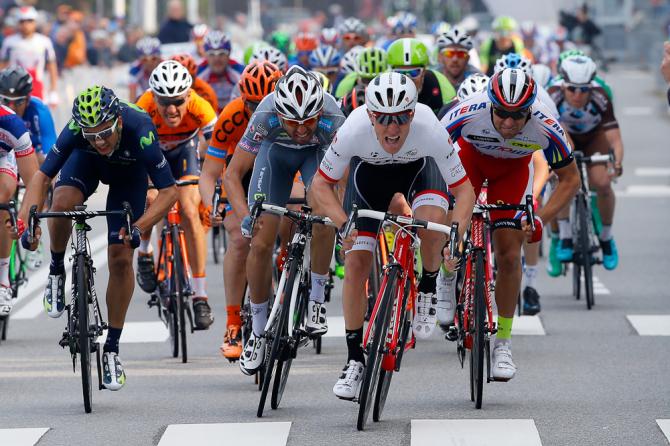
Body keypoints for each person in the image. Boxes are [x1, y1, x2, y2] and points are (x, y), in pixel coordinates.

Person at [309, 72, 476, 399]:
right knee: (356, 264)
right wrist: (344, 224)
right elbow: (320, 185)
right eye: (383, 119)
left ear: (413, 113)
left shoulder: (429, 128)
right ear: (370, 115)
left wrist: (456, 233)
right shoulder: (354, 129)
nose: (393, 127)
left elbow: (464, 190)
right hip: (369, 178)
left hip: (419, 171)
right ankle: (354, 359)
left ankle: (427, 285)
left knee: (432, 226)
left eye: (401, 117)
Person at [16, 86, 177, 390]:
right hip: (85, 165)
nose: (100, 141)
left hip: (128, 177)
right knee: (61, 203)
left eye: (105, 133)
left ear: (117, 120)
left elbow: (170, 192)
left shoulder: (140, 128)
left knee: (119, 259)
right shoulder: (79, 129)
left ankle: (112, 350)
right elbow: (41, 177)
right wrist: (30, 221)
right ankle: (55, 270)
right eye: (92, 135)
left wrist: (138, 227)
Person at [441, 68, 580, 381]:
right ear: (490, 104)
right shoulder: (467, 113)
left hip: (514, 172)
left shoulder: (545, 124)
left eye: (517, 116)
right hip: (469, 163)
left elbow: (571, 180)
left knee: (508, 252)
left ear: (529, 110)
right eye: (501, 113)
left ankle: (502, 343)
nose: (507, 123)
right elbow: (431, 154)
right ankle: (446, 277)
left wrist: (540, 219)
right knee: (453, 229)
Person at [223, 66, 345, 376]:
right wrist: (245, 217)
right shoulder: (264, 116)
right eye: (292, 122)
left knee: (323, 217)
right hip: (274, 155)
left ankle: (316, 300)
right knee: (261, 241)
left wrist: (343, 217)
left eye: (309, 121)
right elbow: (232, 175)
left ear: (320, 112)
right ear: (281, 114)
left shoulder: (333, 117)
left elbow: (346, 176)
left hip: (317, 155)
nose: (302, 130)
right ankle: (258, 332)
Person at [200, 60, 281, 361]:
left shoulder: (290, 115)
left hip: (278, 172)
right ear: (242, 98)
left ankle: (290, 278)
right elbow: (209, 175)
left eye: (264, 104)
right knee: (238, 238)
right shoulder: (232, 115)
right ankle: (234, 322)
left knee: (293, 224)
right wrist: (213, 203)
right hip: (240, 176)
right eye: (251, 104)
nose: (257, 110)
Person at [135, 61, 217, 330]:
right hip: (152, 150)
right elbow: (132, 155)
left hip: (185, 150)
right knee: (150, 199)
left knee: (190, 211)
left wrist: (218, 195)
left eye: (178, 101)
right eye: (164, 101)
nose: (171, 109)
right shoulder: (143, 106)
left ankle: (200, 295)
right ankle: (145, 254)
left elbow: (219, 152)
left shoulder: (200, 107)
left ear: (188, 96)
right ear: (154, 97)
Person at [547, 55, 623, 270]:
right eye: (572, 89)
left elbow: (614, 137)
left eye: (583, 90)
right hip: (564, 136)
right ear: (563, 85)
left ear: (591, 87)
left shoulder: (601, 95)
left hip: (594, 137)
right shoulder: (552, 95)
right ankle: (565, 236)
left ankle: (607, 238)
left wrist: (616, 163)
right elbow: (554, 134)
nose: (578, 95)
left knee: (602, 182)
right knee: (560, 182)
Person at [0, 66, 57, 270]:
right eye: (6, 101)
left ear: (29, 98)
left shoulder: (39, 110)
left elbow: (52, 151)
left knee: (43, 173)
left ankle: (34, 228)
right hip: (7, 154)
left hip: (33, 155)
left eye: (19, 102)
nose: (13, 107)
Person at [0, 96, 39, 315]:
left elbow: (35, 182)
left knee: (2, 198)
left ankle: (3, 281)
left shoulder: (10, 123)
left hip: (3, 158)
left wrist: (28, 220)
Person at [0, 6, 59, 106]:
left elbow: (52, 67)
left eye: (29, 21)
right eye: (22, 21)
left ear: (35, 22)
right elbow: (2, 66)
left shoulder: (44, 42)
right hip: (15, 90)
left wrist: (53, 91)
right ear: (18, 23)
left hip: (38, 89)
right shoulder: (9, 42)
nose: (26, 24)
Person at [386, 38, 456, 115]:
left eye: (414, 72)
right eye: (400, 73)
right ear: (391, 73)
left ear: (424, 71)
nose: (407, 79)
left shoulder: (439, 82)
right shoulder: (383, 84)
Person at [196, 31, 244, 113]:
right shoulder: (198, 73)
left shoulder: (240, 72)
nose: (217, 59)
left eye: (221, 53)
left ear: (229, 54)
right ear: (206, 55)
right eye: (212, 54)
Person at [128, 36, 162, 102]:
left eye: (153, 59)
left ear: (159, 57)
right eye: (145, 60)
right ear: (139, 59)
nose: (149, 63)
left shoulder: (166, 64)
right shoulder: (134, 70)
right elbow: (132, 97)